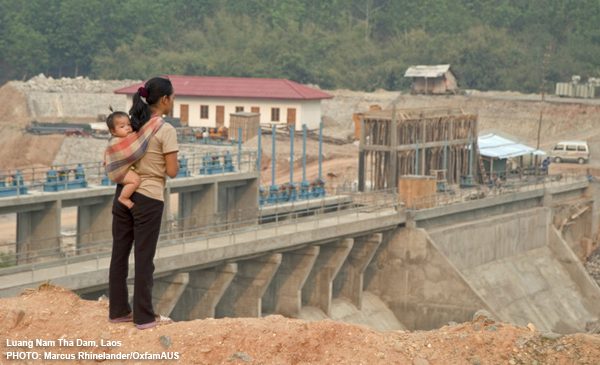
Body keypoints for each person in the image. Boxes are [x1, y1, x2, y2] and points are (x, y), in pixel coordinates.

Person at [108, 77, 179, 330]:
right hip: (149, 197)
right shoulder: (165, 130)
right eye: (173, 97)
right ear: (165, 99)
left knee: (119, 252)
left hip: (123, 193)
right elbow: (171, 171)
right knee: (144, 257)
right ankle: (144, 317)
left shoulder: (132, 125)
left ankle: (117, 311)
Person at [104, 111, 141, 209]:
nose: (127, 128)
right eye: (122, 126)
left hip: (118, 170)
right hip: (118, 172)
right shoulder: (117, 141)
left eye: (129, 124)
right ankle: (123, 198)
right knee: (135, 181)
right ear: (113, 131)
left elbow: (106, 153)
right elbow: (127, 153)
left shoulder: (116, 139)